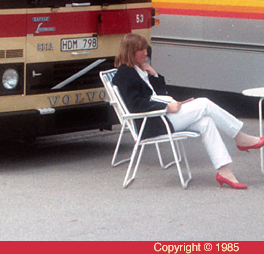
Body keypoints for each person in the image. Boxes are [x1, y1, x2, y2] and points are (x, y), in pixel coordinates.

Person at [112, 33, 264, 190]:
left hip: (161, 118)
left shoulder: (137, 70)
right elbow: (135, 105)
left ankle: (224, 171)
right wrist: (166, 108)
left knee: (206, 122)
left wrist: (154, 74)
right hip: (154, 122)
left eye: (145, 49)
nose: (145, 53)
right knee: (204, 103)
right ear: (130, 52)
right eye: (140, 50)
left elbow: (160, 93)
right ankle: (240, 138)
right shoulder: (125, 74)